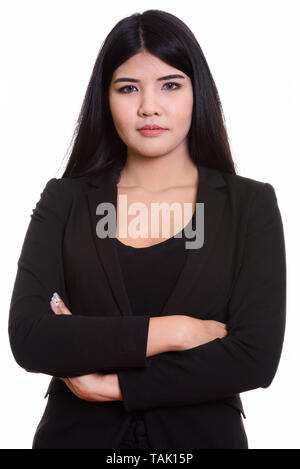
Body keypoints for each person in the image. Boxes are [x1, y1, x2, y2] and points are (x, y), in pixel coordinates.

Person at [8, 9, 286, 449]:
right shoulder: (65, 200)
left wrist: (111, 384)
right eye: (128, 88)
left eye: (170, 85)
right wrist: (175, 331)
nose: (149, 106)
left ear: (198, 94)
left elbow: (254, 358)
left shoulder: (249, 205)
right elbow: (31, 337)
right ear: (106, 98)